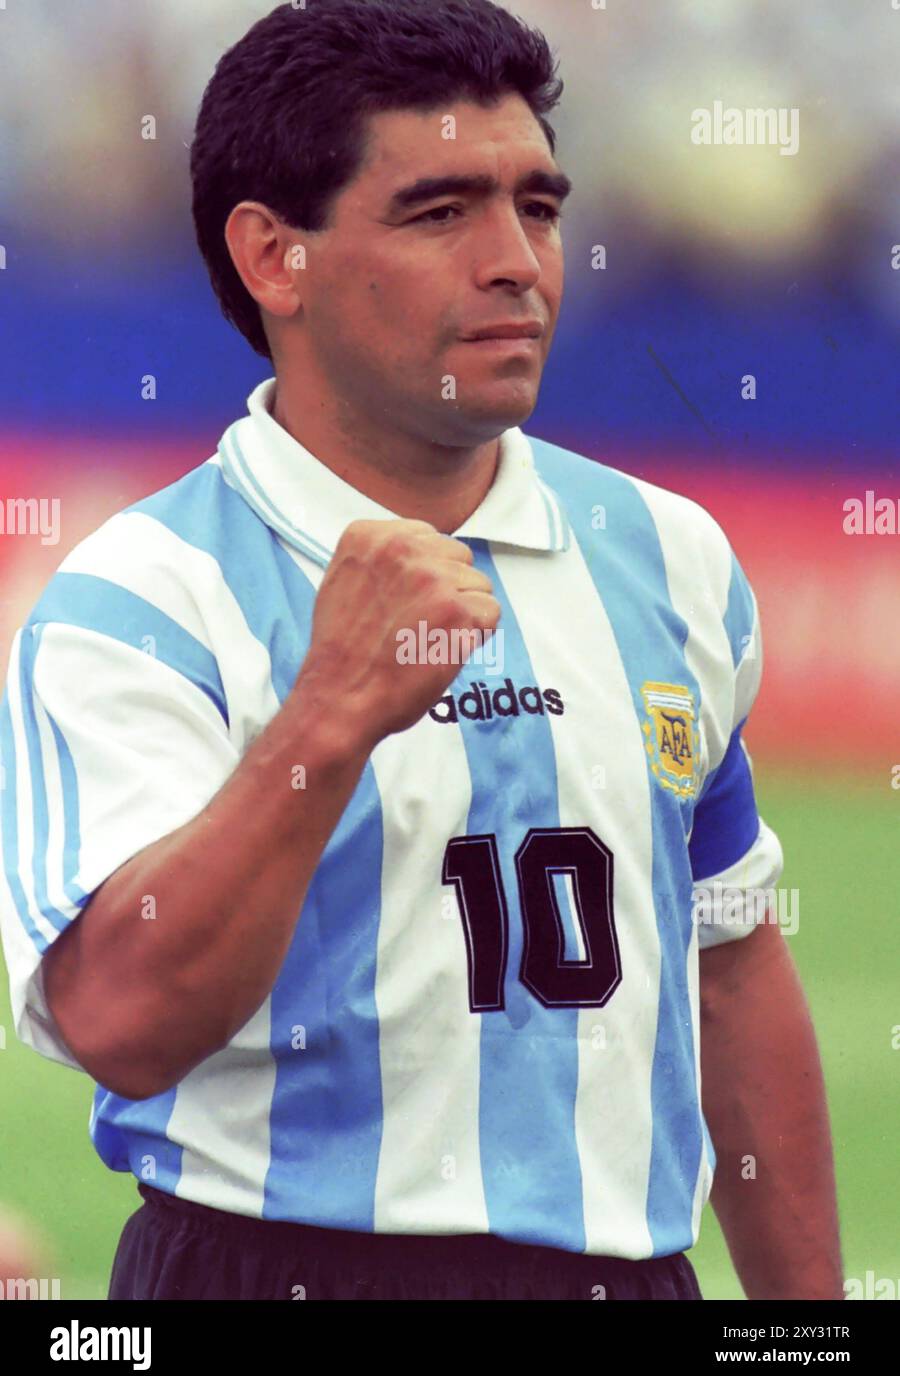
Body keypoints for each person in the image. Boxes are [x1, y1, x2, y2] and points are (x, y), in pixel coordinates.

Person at [0, 0, 842, 1300]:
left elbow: (732, 969)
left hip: (625, 1278)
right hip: (265, 1269)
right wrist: (329, 715)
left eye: (541, 206)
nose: (520, 261)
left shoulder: (670, 556)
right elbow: (123, 1022)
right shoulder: (141, 598)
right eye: (441, 211)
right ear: (275, 258)